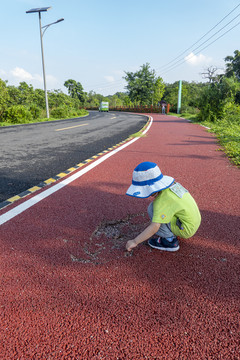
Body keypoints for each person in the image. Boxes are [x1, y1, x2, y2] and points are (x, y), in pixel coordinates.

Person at [125, 162, 201, 252]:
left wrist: (135, 241)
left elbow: (155, 226)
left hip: (186, 229)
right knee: (153, 207)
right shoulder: (172, 185)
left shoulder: (161, 201)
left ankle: (169, 240)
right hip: (192, 222)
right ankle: (171, 232)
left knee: (153, 210)